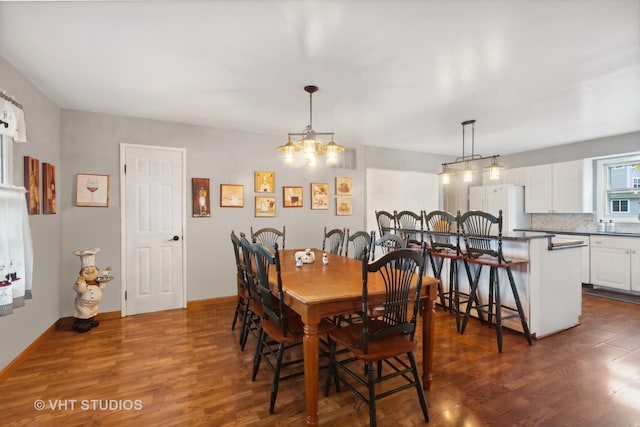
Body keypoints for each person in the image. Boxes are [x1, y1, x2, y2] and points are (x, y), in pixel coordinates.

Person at [72, 248, 108, 333]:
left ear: (97, 271)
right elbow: (80, 290)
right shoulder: (81, 282)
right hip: (83, 306)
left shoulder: (97, 282)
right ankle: (82, 323)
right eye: (86, 273)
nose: (90, 273)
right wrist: (80, 283)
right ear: (81, 273)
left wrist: (104, 281)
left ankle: (90, 320)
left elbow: (102, 288)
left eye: (93, 271)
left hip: (94, 305)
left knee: (92, 313)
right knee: (84, 314)